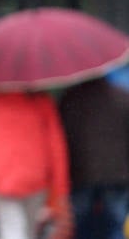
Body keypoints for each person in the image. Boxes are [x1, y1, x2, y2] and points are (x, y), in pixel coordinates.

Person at [0, 89, 71, 239]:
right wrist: (60, 187)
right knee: (28, 229)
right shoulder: (41, 101)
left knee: (11, 228)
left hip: (0, 175)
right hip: (35, 175)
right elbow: (56, 145)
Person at [58, 77, 129, 239]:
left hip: (80, 172)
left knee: (79, 224)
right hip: (118, 173)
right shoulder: (122, 97)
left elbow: (62, 137)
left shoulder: (70, 99)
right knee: (117, 223)